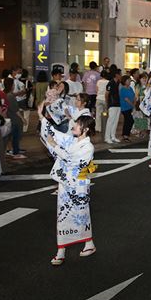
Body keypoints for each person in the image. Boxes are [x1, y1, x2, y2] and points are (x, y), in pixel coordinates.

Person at [39, 113, 96, 266]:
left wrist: (54, 146)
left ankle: (88, 243)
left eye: (77, 125)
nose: (74, 126)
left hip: (79, 186)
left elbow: (70, 160)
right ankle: (61, 249)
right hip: (66, 184)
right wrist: (42, 118)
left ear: (85, 129)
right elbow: (56, 136)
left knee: (81, 214)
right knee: (63, 215)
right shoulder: (74, 140)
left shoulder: (88, 147)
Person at [4, 78, 27, 159]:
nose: (14, 86)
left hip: (11, 116)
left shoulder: (8, 94)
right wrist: (23, 118)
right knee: (15, 135)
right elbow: (15, 109)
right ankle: (15, 152)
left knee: (14, 135)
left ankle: (16, 149)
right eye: (13, 84)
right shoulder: (10, 96)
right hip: (14, 118)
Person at [104, 69, 122, 144]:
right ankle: (107, 137)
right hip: (112, 104)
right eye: (120, 74)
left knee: (115, 121)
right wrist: (107, 105)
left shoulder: (118, 83)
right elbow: (106, 94)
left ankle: (113, 136)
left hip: (118, 104)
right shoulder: (110, 83)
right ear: (116, 75)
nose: (121, 75)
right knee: (110, 121)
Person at [119, 75, 136, 142]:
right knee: (129, 120)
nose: (129, 81)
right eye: (128, 80)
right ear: (124, 81)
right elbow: (126, 99)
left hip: (130, 107)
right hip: (125, 107)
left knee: (128, 121)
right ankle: (125, 135)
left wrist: (134, 103)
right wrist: (132, 105)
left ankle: (126, 135)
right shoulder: (123, 89)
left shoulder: (130, 88)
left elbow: (134, 96)